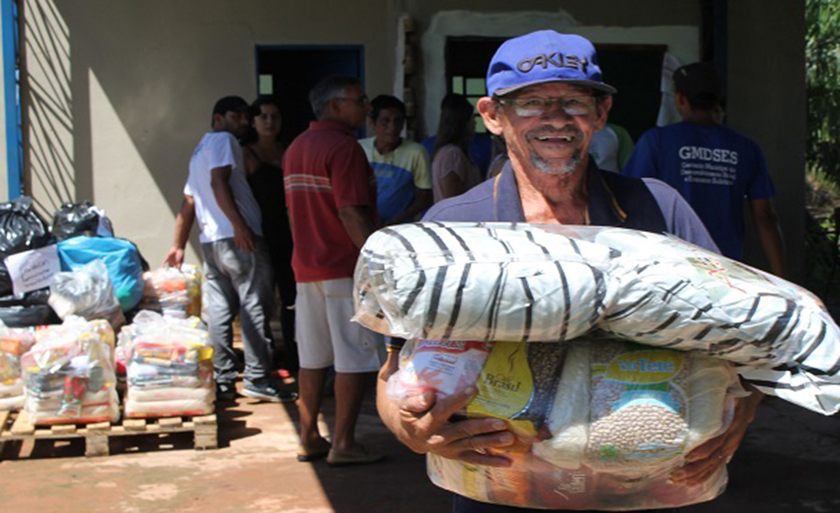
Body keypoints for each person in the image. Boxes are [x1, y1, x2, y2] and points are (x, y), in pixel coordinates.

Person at [376, 31, 763, 512]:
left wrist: (741, 408)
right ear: (493, 116)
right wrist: (408, 428)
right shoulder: (453, 228)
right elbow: (395, 368)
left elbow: (743, 342)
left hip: (642, 486)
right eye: (531, 102)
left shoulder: (659, 211)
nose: (555, 118)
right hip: (500, 488)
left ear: (600, 114)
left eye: (574, 102)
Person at [164, 96, 295, 403]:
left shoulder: (199, 150)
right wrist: (240, 226)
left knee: (220, 311)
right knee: (254, 307)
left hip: (212, 243)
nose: (245, 123)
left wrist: (178, 245)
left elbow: (190, 200)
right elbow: (218, 182)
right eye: (237, 116)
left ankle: (223, 380)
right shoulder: (223, 140)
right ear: (219, 118)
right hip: (237, 240)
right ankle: (257, 378)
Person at [283, 75, 385, 466]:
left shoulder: (296, 148)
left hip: (306, 268)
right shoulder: (344, 149)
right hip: (344, 269)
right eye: (361, 100)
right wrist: (378, 264)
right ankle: (343, 442)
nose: (367, 107)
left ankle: (308, 437)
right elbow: (349, 211)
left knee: (311, 357)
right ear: (336, 106)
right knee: (352, 359)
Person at [623, 62, 786, 277]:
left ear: (680, 99)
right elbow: (764, 217)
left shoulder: (656, 141)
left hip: (669, 269)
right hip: (726, 271)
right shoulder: (747, 148)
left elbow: (628, 201)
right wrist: (782, 278)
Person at [242, 97, 298, 375]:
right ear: (253, 121)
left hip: (289, 234)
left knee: (291, 298)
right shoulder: (246, 154)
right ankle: (262, 364)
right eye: (263, 116)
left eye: (274, 116)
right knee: (260, 301)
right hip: (258, 236)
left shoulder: (288, 151)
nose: (269, 122)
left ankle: (294, 358)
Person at [359, 95, 432, 225]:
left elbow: (424, 198)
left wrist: (395, 221)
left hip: (400, 228)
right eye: (385, 121)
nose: (392, 127)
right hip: (363, 224)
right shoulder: (360, 149)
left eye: (398, 121)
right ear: (372, 122)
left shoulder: (416, 153)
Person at [431, 93, 483, 202]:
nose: (475, 123)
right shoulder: (452, 154)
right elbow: (452, 199)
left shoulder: (450, 152)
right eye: (471, 119)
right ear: (463, 123)